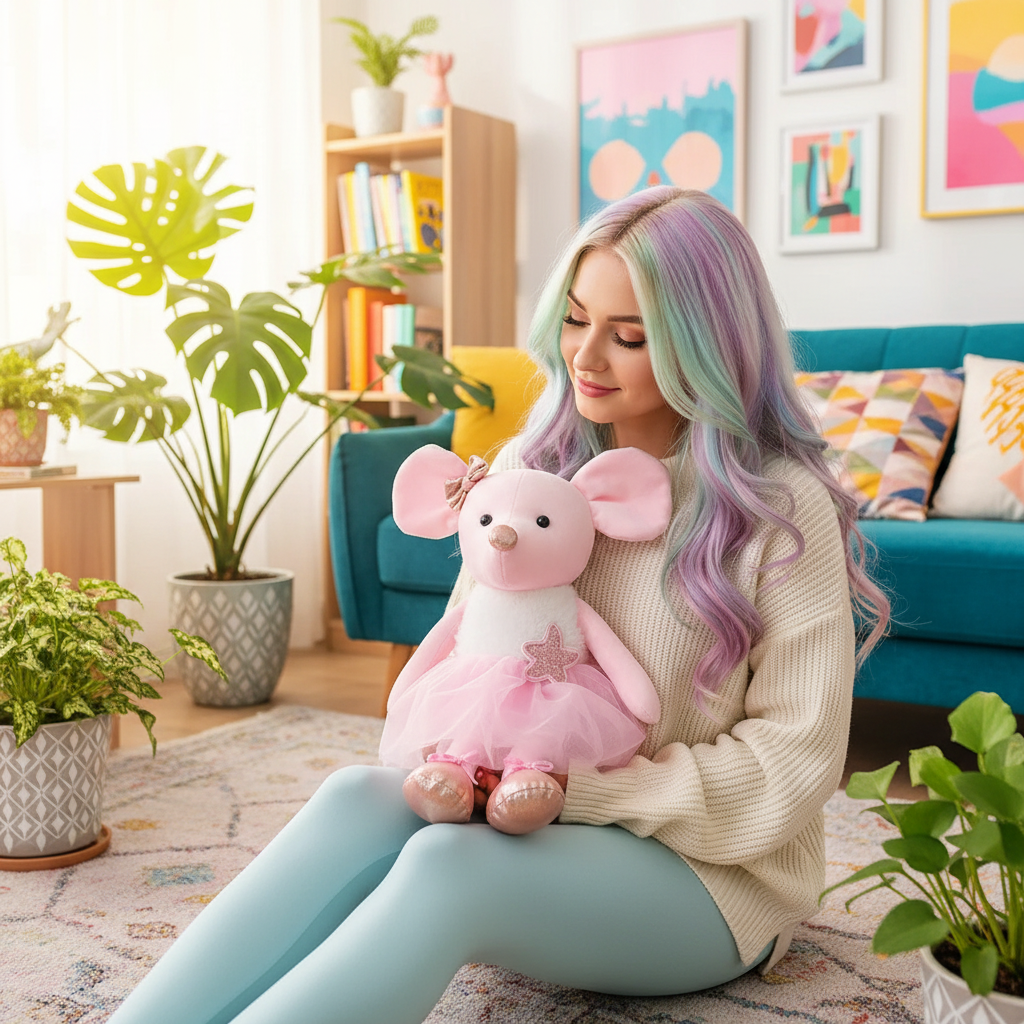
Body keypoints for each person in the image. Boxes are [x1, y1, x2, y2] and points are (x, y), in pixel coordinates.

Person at [107, 186, 889, 1024]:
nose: (586, 356)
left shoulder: (780, 505)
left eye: (628, 337)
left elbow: (790, 769)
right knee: (353, 797)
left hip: (714, 879)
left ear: (708, 347)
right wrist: (461, 764)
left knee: (447, 869)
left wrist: (575, 787)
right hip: (529, 816)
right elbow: (469, 658)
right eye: (576, 318)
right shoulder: (534, 464)